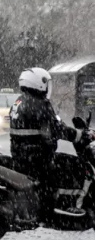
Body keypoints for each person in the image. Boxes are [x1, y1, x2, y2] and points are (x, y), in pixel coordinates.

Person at [10, 67, 87, 219]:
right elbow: (56, 129)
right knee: (75, 165)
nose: (47, 87)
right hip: (36, 157)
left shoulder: (19, 101)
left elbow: (48, 128)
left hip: (22, 154)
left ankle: (49, 206)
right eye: (45, 82)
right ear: (37, 83)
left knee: (61, 164)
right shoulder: (39, 104)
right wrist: (78, 135)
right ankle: (64, 206)